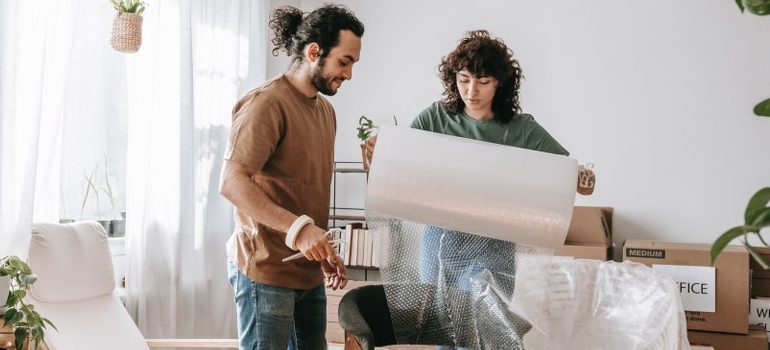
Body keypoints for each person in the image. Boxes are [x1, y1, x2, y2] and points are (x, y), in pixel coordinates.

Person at [364, 30, 595, 347]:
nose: (471, 91)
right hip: (440, 242)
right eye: (463, 79)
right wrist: (378, 155)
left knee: (481, 333)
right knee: (442, 330)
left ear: (500, 83)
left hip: (493, 246)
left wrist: (583, 176)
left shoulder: (519, 129)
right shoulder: (437, 118)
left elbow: (571, 177)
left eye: (482, 82)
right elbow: (399, 167)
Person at [219, 4, 364, 349]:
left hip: (306, 275)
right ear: (315, 51)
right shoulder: (266, 104)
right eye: (344, 61)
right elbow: (232, 181)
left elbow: (302, 189)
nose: (349, 74)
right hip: (265, 272)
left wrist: (323, 251)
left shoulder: (326, 112)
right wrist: (300, 230)